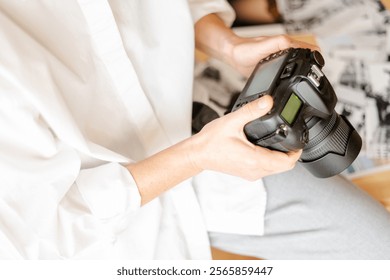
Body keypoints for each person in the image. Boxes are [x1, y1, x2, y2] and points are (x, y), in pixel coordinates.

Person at [0, 0, 389, 259]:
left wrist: (230, 46)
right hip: (107, 223)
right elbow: (39, 237)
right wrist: (196, 155)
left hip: (199, 127)